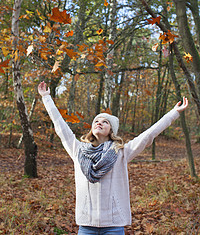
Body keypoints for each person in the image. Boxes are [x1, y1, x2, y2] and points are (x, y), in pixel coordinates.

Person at [38, 81, 188, 235]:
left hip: (113, 226)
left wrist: (174, 113)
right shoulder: (78, 151)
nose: (99, 123)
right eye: (96, 121)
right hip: (86, 225)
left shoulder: (121, 153)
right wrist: (46, 97)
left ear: (111, 130)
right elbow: (60, 126)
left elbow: (148, 136)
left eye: (105, 122)